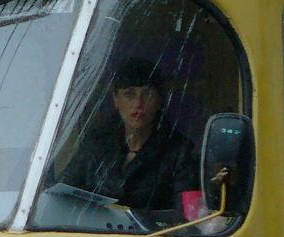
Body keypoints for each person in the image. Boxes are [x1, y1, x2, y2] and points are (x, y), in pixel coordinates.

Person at [57, 57, 198, 214]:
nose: (138, 103)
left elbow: (188, 215)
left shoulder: (180, 151)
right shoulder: (96, 144)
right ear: (116, 99)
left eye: (147, 94)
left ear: (160, 100)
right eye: (129, 95)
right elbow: (64, 193)